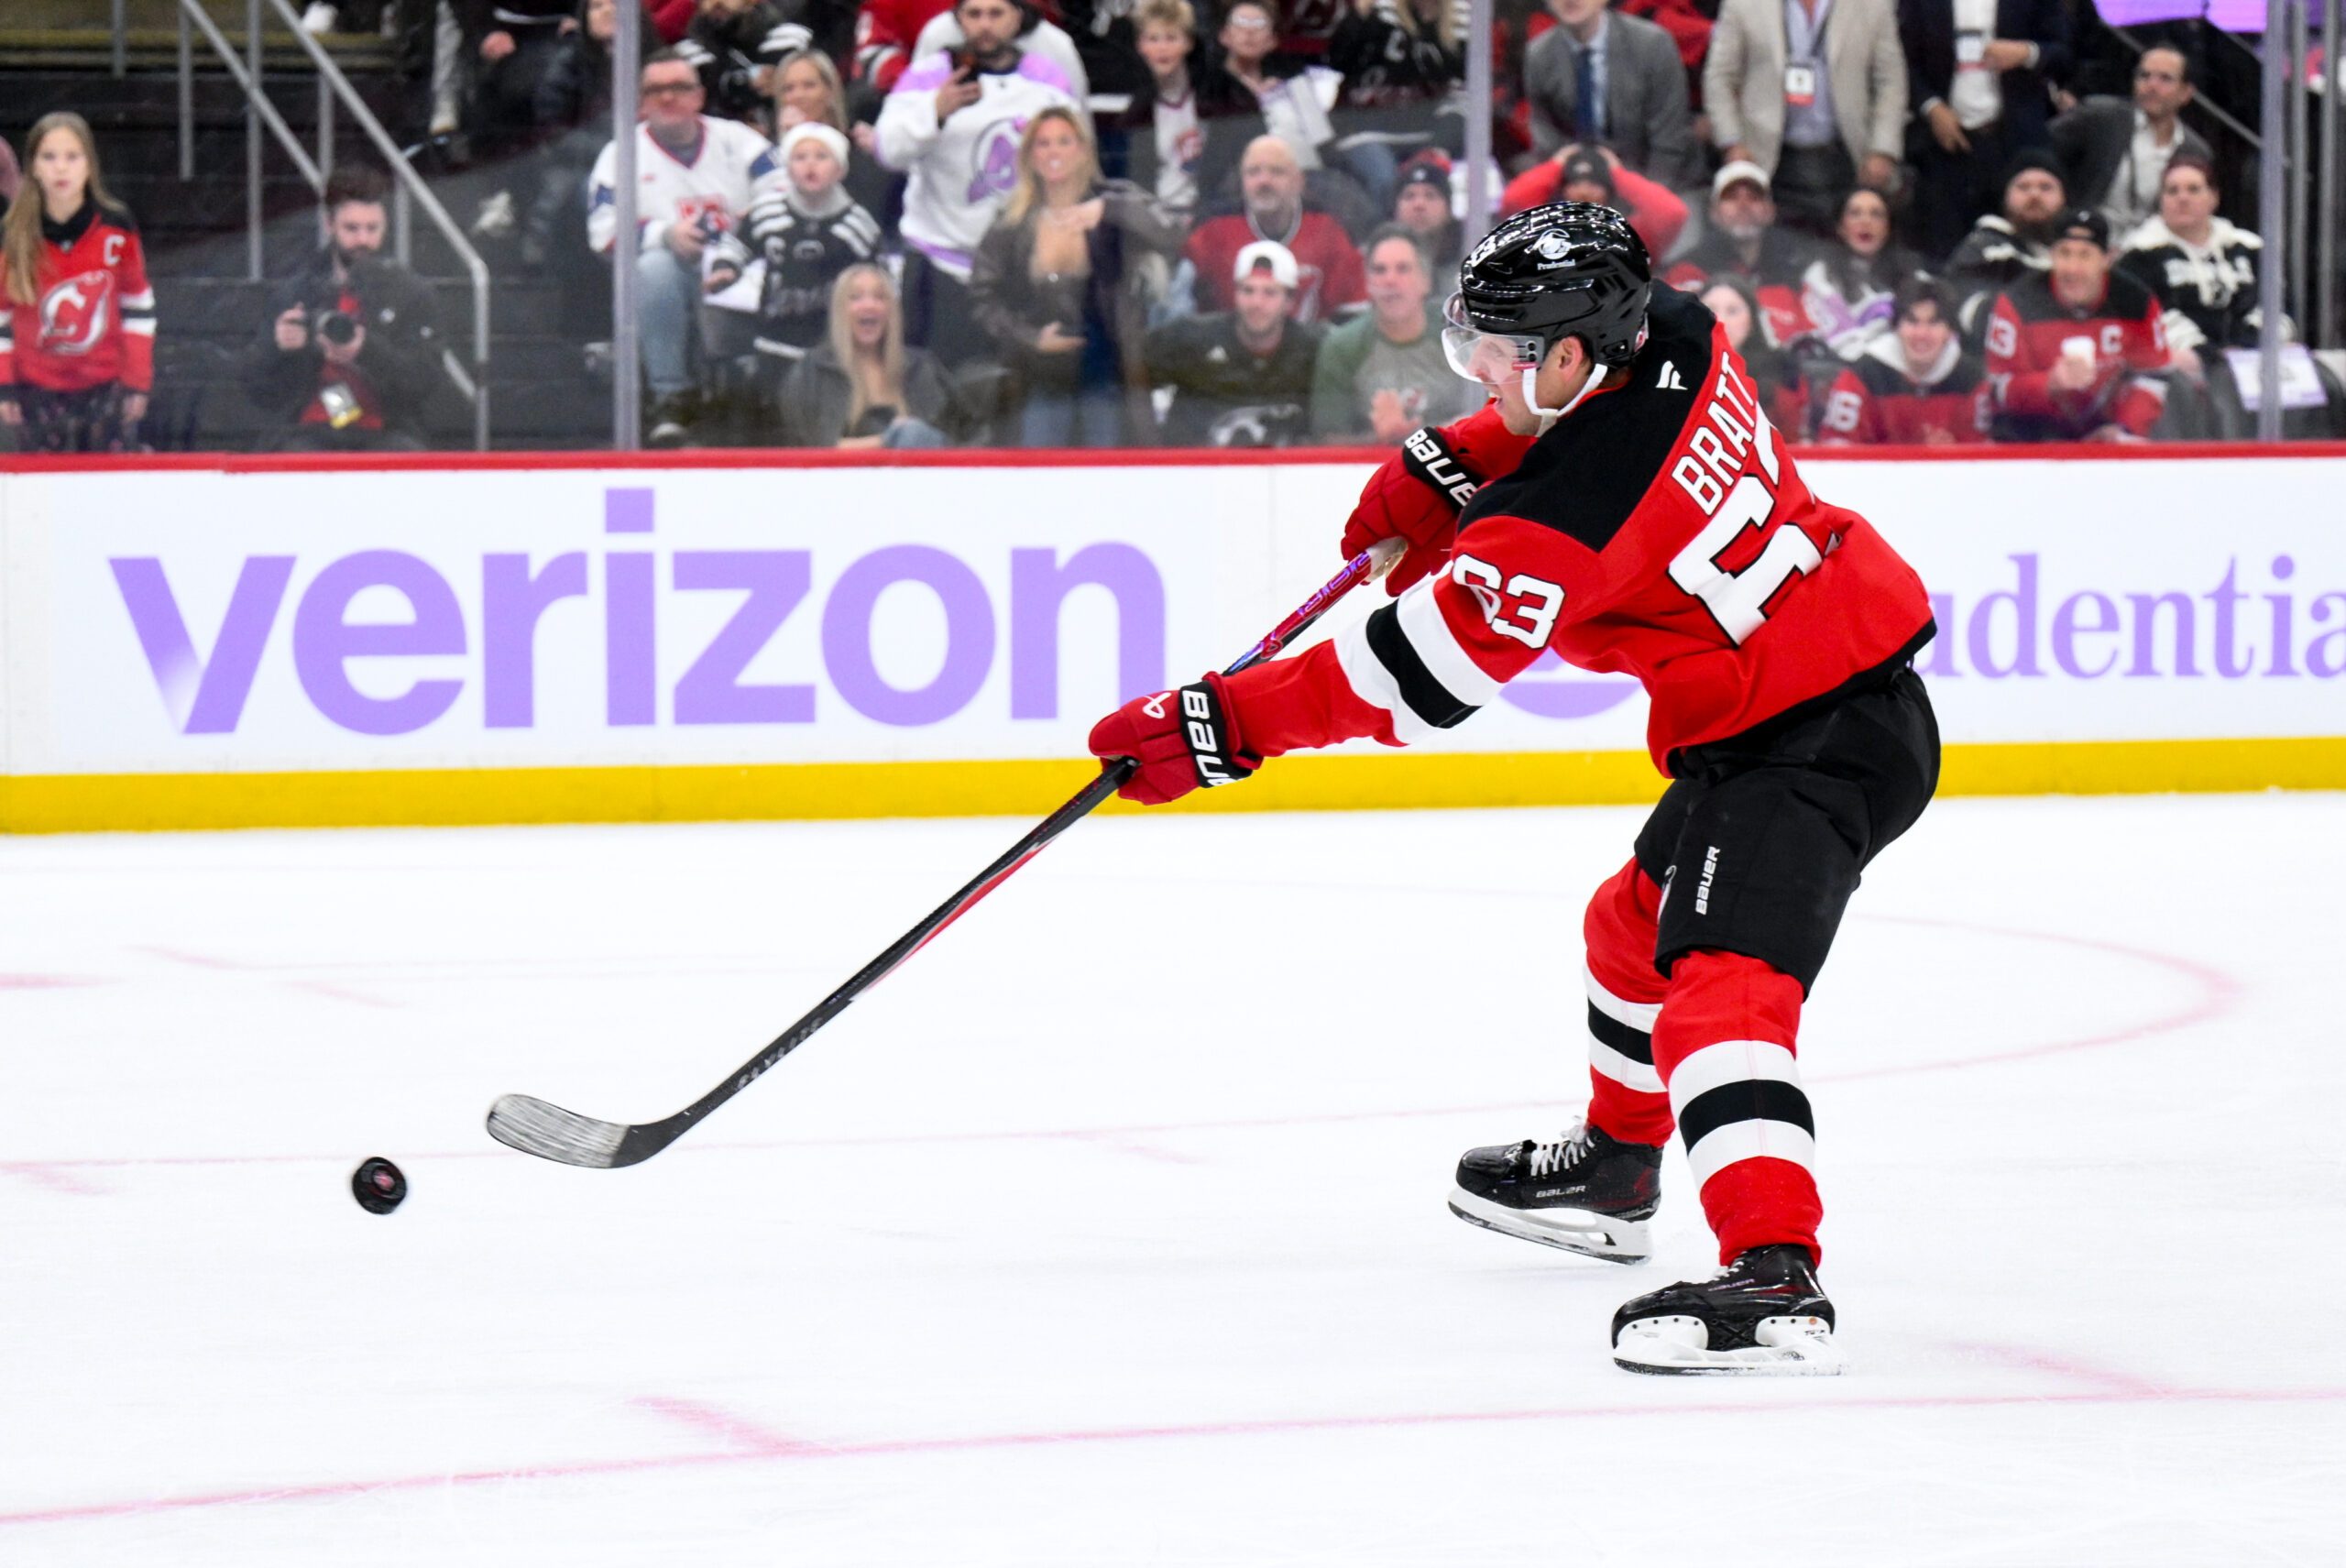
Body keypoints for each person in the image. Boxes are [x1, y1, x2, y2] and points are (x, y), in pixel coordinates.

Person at [1087, 202, 1938, 1374]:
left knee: (1719, 991)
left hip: (1809, 734)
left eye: (1500, 353)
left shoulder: (1562, 523)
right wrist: (1448, 463)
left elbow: (1411, 681)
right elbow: (1547, 427)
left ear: (1573, 353)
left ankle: (1774, 1274)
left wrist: (1220, 724)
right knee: (1628, 928)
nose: (1481, 370)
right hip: (1806, 695)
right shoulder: (1675, 329)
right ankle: (1617, 1169)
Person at [586, 49, 784, 443]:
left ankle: (757, 394)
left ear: (699, 96)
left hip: (742, 270)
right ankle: (671, 395)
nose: (667, 97)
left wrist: (737, 242)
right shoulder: (621, 154)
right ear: (641, 102)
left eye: (679, 87)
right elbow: (602, 230)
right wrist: (666, 235)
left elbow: (781, 198)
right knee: (655, 266)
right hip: (669, 281)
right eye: (655, 89)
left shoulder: (738, 141)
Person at [969, 107, 1189, 447]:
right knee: (1041, 470)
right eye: (1043, 144)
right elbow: (983, 297)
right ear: (1030, 155)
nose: (1053, 152)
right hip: (1039, 375)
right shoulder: (1011, 223)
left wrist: (1109, 210)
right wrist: (1030, 338)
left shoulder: (1115, 201)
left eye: (1063, 141)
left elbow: (1172, 232)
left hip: (1107, 372)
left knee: (1104, 472)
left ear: (1083, 150)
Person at [874, 0, 1079, 366]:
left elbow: (1078, 159)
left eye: (996, 13)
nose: (985, 25)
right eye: (974, 14)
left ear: (1017, 17)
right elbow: (888, 151)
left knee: (1013, 398)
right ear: (958, 19)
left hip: (1019, 267)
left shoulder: (1047, 76)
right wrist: (934, 112)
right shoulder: (928, 75)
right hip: (940, 265)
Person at [244, 168, 444, 451]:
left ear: (386, 225)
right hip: (306, 431)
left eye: (372, 228)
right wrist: (280, 348)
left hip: (388, 432)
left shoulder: (411, 294)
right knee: (294, 457)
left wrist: (366, 350)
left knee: (403, 457)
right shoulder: (294, 293)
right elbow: (257, 389)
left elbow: (425, 382)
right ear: (329, 225)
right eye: (352, 228)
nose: (363, 239)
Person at [0, 113, 156, 455]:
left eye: (72, 157)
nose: (61, 168)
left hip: (106, 389)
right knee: (41, 497)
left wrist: (136, 382)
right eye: (49, 157)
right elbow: (1, 318)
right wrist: (4, 386)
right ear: (33, 167)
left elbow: (138, 308)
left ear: (90, 165)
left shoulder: (117, 226)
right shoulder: (13, 235)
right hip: (35, 392)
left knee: (108, 492)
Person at [1702, 0, 1906, 236]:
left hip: (1848, 159)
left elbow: (1891, 80)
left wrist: (1883, 149)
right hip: (1768, 160)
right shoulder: (1744, 4)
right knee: (1778, 258)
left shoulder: (1873, 5)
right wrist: (1732, 143)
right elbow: (1719, 77)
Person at [1898, 0, 2071, 260]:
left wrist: (2026, 52)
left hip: (2014, 139)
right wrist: (1931, 107)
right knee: (1944, 249)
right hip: (1946, 142)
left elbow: (2065, 53)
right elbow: (1901, 59)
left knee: (2019, 249)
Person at [705, 123, 884, 368]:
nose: (810, 164)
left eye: (822, 156)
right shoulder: (766, 211)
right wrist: (726, 267)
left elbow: (878, 276)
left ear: (840, 170)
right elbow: (737, 244)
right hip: (773, 335)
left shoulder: (856, 224)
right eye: (800, 158)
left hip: (835, 343)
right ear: (787, 169)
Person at [1984, 205, 2166, 442]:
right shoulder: (2017, 304)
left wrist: (2126, 430)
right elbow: (1996, 390)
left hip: (2109, 438)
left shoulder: (2137, 303)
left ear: (2107, 258)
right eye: (2064, 253)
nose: (2073, 268)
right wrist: (2049, 384)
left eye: (2085, 255)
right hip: (2029, 442)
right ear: (2051, 255)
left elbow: (2154, 376)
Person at [1143, 239, 1323, 445]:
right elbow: (1128, 373)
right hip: (1196, 474)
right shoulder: (1190, 339)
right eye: (1248, 291)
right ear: (1235, 294)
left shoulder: (1313, 349)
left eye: (1270, 293)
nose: (1256, 303)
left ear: (1290, 302)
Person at [1310, 225, 1480, 440]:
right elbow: (1327, 440)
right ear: (1368, 283)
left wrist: (1459, 431)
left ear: (1425, 281)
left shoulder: (1459, 336)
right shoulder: (1341, 347)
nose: (1390, 280)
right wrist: (1380, 439)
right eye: (1379, 270)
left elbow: (1494, 412)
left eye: (1403, 269)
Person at [775, 262, 970, 445]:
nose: (869, 305)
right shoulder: (813, 371)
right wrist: (889, 440)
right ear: (839, 310)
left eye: (879, 297)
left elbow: (960, 435)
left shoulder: (921, 367)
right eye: (855, 297)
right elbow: (812, 448)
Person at [2116, 153, 2273, 373]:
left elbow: (2279, 306)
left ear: (2214, 198)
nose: (2182, 198)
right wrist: (2208, 355)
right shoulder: (2139, 254)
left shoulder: (2251, 247)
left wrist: (2248, 345)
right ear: (2161, 200)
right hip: (2184, 367)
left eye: (2193, 189)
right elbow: (2148, 316)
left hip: (2254, 356)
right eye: (2172, 191)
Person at [1183, 135, 1366, 322]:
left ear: (1299, 182)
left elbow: (1353, 307)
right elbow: (1184, 303)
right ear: (1242, 181)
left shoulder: (1328, 228)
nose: (1264, 181)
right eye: (1253, 172)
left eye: (1277, 172)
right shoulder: (1213, 230)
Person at [1521, 0, 1699, 187]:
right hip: (1578, 186)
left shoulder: (1653, 45)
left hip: (1659, 182)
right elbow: (1547, 142)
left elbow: (1669, 142)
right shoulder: (1539, 55)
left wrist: (1646, 200)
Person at [2049, 45, 2208, 249]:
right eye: (2144, 76)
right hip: (2085, 242)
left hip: (2151, 253)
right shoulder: (2101, 117)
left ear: (2186, 93)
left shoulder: (2194, 150)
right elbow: (2042, 153)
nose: (2152, 85)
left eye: (2165, 79)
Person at [1816, 273, 1992, 443]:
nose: (1922, 334)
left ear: (1950, 331)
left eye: (1934, 322)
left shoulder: (1971, 379)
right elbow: (1837, 448)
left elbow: (1984, 457)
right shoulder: (1862, 375)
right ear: (1896, 328)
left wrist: (1951, 454)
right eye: (1912, 321)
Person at [1661, 160, 1814, 346]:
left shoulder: (1796, 270)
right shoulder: (1688, 270)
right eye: (1731, 197)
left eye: (1754, 197)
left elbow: (1813, 336)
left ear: (1771, 211)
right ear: (1714, 213)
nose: (1743, 205)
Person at [1943, 149, 2065, 339]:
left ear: (2064, 198)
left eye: (2046, 187)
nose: (2034, 195)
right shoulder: (1984, 248)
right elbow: (1968, 311)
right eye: (2023, 187)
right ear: (2006, 198)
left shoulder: (2083, 252)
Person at [1501, 143, 1687, 258]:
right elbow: (1513, 201)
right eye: (1576, 184)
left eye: (1594, 185)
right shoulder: (1545, 235)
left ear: (1609, 192)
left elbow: (1672, 212)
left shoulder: (1627, 236)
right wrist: (1555, 165)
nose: (1584, 192)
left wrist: (1618, 174)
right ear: (1563, 191)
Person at [1799, 184, 1921, 359]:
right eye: (1855, 214)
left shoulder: (1914, 276)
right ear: (1841, 227)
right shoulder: (1819, 276)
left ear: (1888, 228)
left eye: (1876, 215)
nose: (1866, 222)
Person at [769, 49, 893, 217]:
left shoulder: (858, 148)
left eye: (809, 85)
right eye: (788, 89)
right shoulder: (770, 153)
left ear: (829, 91)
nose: (798, 96)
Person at [1118, 0, 1209, 214]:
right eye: (1153, 39)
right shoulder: (1137, 111)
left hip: (1206, 214)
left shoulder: (1211, 95)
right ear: (1140, 45)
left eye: (1171, 38)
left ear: (1188, 42)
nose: (1162, 48)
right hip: (1158, 216)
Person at [1701, 274, 1809, 434]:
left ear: (1752, 322)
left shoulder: (1781, 372)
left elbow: (1791, 439)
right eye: (1710, 310)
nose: (1720, 320)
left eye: (1733, 311)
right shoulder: (1673, 369)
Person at [1390, 149, 1464, 275]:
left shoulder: (1468, 252)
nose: (1419, 205)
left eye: (1430, 196)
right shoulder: (1380, 255)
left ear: (1448, 209)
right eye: (1409, 196)